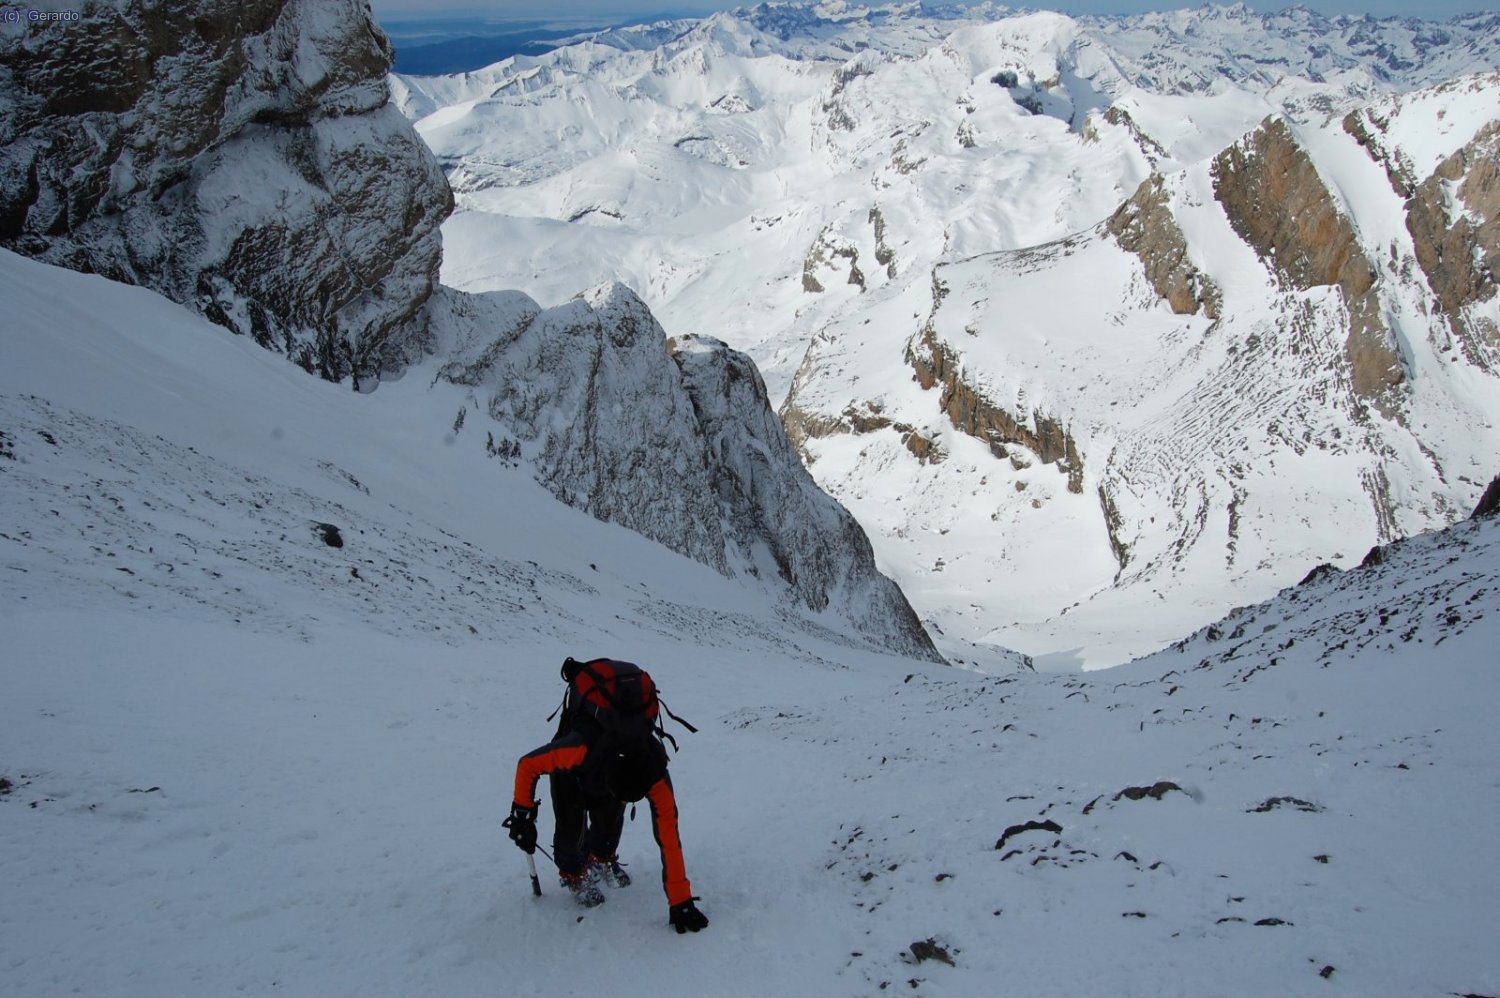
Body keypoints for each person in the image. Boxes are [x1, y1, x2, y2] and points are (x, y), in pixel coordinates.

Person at [504, 657, 710, 933]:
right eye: (624, 796)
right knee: (570, 829)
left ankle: (601, 857)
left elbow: (669, 836)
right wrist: (523, 815)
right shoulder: (576, 750)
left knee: (610, 819)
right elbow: (527, 765)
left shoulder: (654, 772)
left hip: (611, 771)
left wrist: (680, 900)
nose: (626, 802)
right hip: (573, 773)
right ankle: (574, 873)